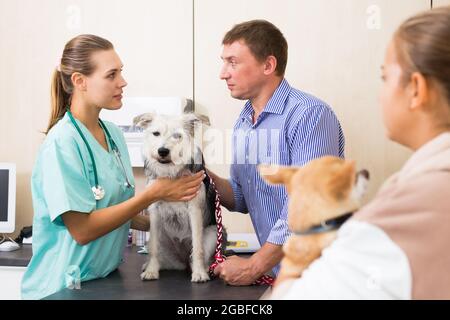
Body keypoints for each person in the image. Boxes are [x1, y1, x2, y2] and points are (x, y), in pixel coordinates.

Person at [270, 6, 450, 299]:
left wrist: (303, 241)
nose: (380, 94)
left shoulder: (403, 215)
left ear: (416, 88)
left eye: (384, 77)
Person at [21, 34, 205, 300]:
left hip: (103, 280)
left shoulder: (113, 135)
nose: (123, 82)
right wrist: (155, 194)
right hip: (62, 286)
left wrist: (176, 223)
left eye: (121, 72)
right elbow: (82, 230)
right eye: (111, 75)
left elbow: (116, 211)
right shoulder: (61, 144)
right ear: (79, 81)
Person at [208, 20, 345, 285]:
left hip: (317, 278)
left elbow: (307, 207)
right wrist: (199, 172)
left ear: (268, 65)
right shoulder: (245, 121)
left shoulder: (310, 115)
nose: (223, 73)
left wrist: (252, 267)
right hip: (279, 276)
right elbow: (241, 196)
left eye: (233, 62)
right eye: (223, 62)